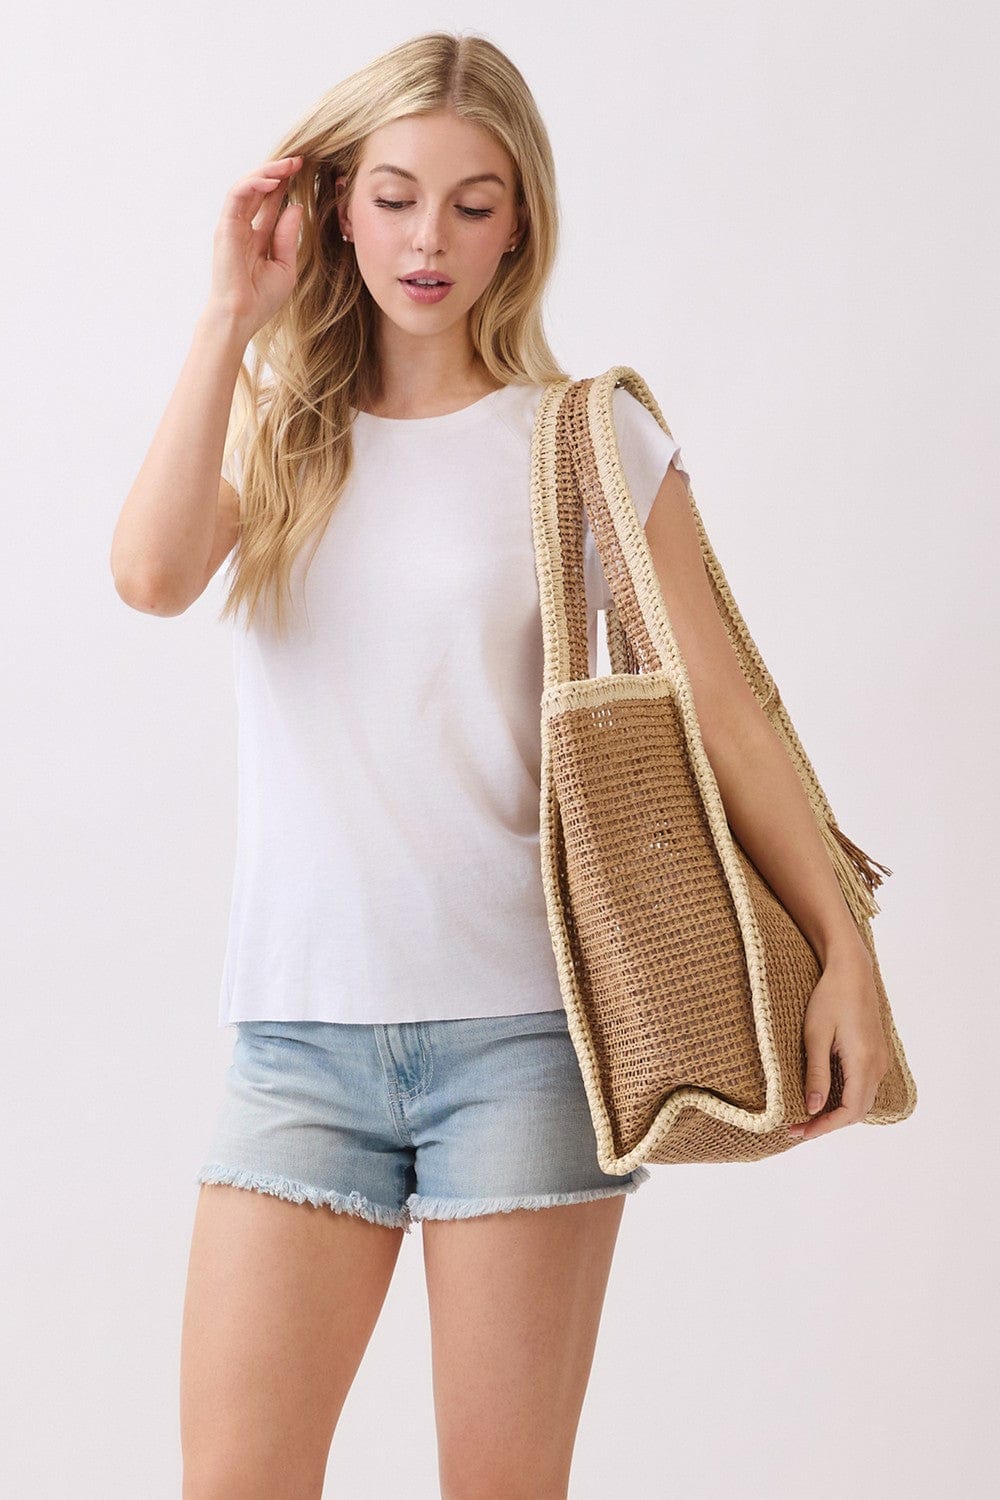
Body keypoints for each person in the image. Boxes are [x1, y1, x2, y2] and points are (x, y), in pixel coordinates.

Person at [110, 29, 889, 1500]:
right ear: (337, 207)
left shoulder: (584, 438)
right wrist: (228, 315)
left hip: (524, 1040)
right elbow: (149, 577)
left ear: (519, 222)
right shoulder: (280, 432)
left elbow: (727, 717)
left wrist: (844, 951)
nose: (430, 241)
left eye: (473, 205)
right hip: (298, 1039)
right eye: (395, 197)